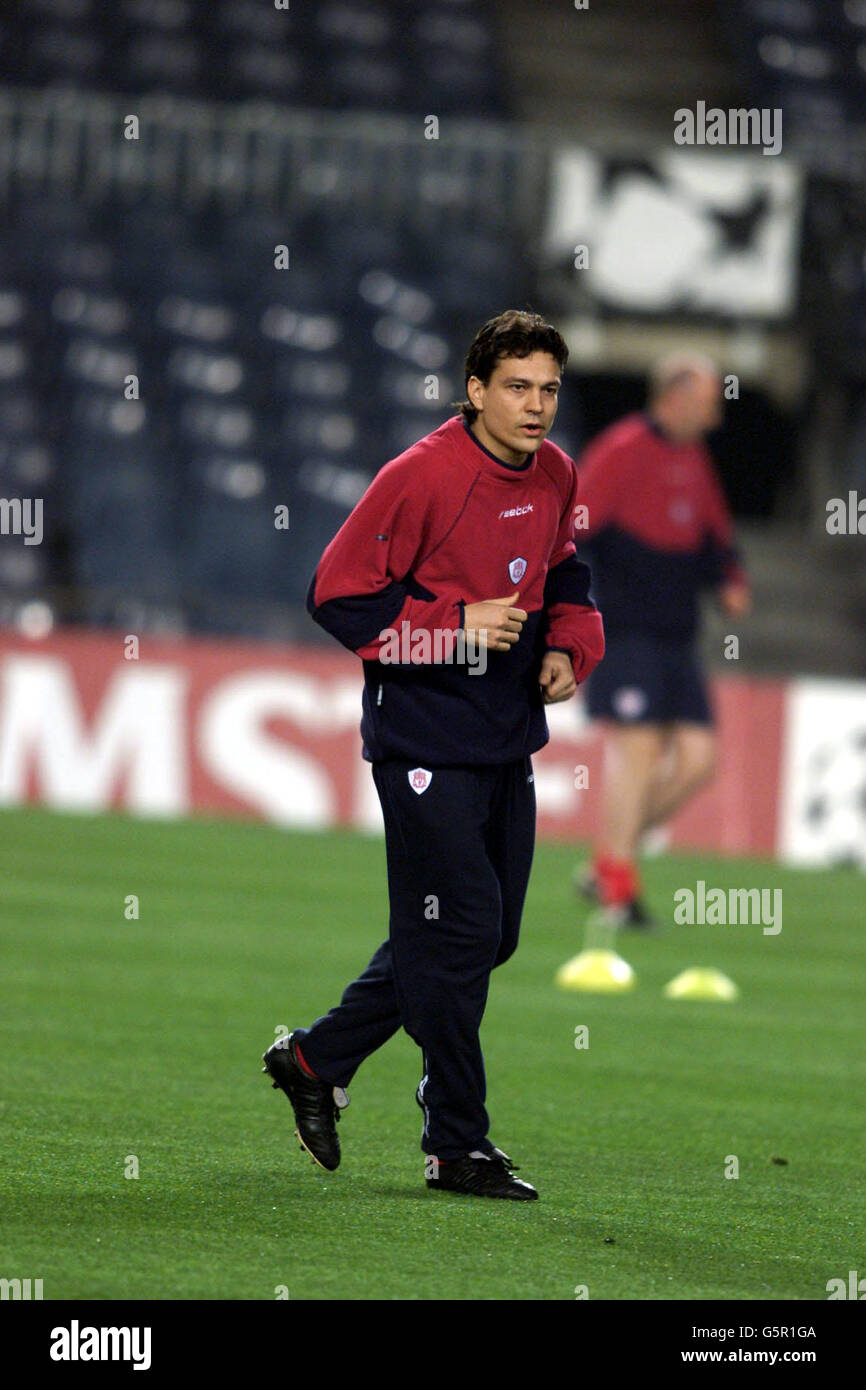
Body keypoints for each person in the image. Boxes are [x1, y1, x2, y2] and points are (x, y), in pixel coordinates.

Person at [262, 309, 604, 1201]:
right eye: (518, 387)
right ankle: (457, 1142)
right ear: (476, 389)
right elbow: (336, 598)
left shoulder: (558, 472)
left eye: (550, 390)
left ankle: (316, 1058)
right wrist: (455, 630)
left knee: (483, 937)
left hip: (503, 737)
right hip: (422, 739)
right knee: (456, 936)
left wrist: (568, 644)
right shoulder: (423, 476)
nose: (536, 406)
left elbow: (566, 568)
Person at [574, 352, 751, 926]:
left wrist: (729, 580)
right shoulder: (623, 449)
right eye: (706, 405)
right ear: (673, 398)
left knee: (699, 760)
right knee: (640, 750)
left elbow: (714, 535)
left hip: (677, 636)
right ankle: (617, 888)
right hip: (625, 633)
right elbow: (575, 527)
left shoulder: (693, 458)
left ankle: (606, 860)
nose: (715, 419)